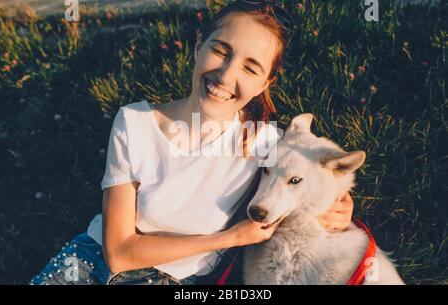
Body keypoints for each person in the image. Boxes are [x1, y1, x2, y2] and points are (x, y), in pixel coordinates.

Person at [30, 0, 354, 285]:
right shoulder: (134, 123)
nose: (226, 76)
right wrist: (231, 237)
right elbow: (118, 253)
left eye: (250, 67)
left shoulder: (264, 141)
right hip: (91, 263)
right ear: (199, 46)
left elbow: (309, 176)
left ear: (264, 83)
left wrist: (339, 204)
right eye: (221, 51)